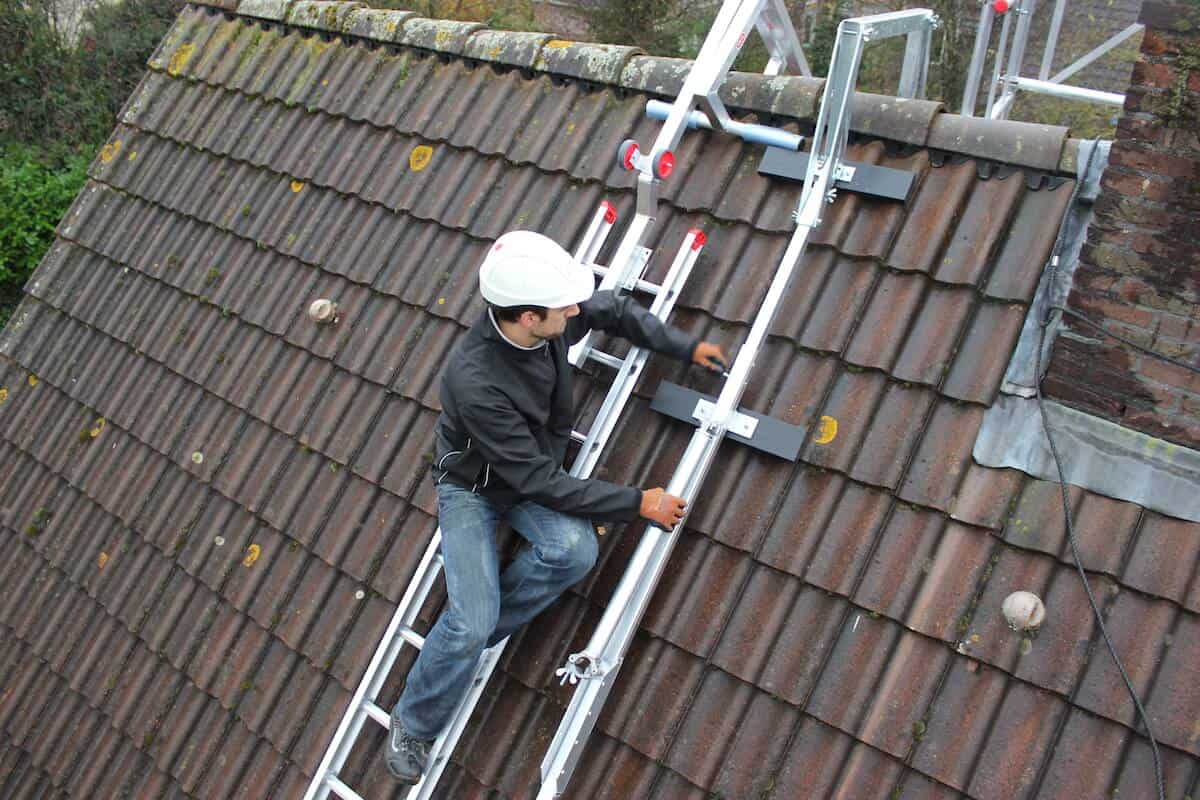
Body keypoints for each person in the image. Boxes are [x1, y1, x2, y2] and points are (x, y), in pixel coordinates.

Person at [386, 230, 728, 784]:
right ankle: (414, 719)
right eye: (562, 309)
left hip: (525, 472)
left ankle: (471, 635)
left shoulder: (543, 318)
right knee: (469, 624)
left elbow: (611, 309)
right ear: (527, 318)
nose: (574, 311)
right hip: (473, 489)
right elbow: (539, 482)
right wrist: (636, 502)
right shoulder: (476, 382)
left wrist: (683, 346)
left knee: (572, 552)